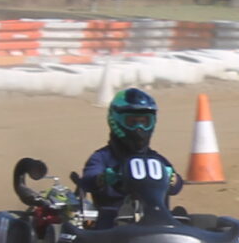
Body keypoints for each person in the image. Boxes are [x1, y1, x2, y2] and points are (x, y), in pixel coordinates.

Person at [75, 87, 181, 220]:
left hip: (156, 222)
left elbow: (177, 186)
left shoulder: (157, 160)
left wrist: (172, 179)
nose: (139, 128)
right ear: (115, 121)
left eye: (144, 122)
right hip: (111, 225)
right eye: (132, 122)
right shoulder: (102, 157)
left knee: (199, 221)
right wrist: (103, 178)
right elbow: (88, 181)